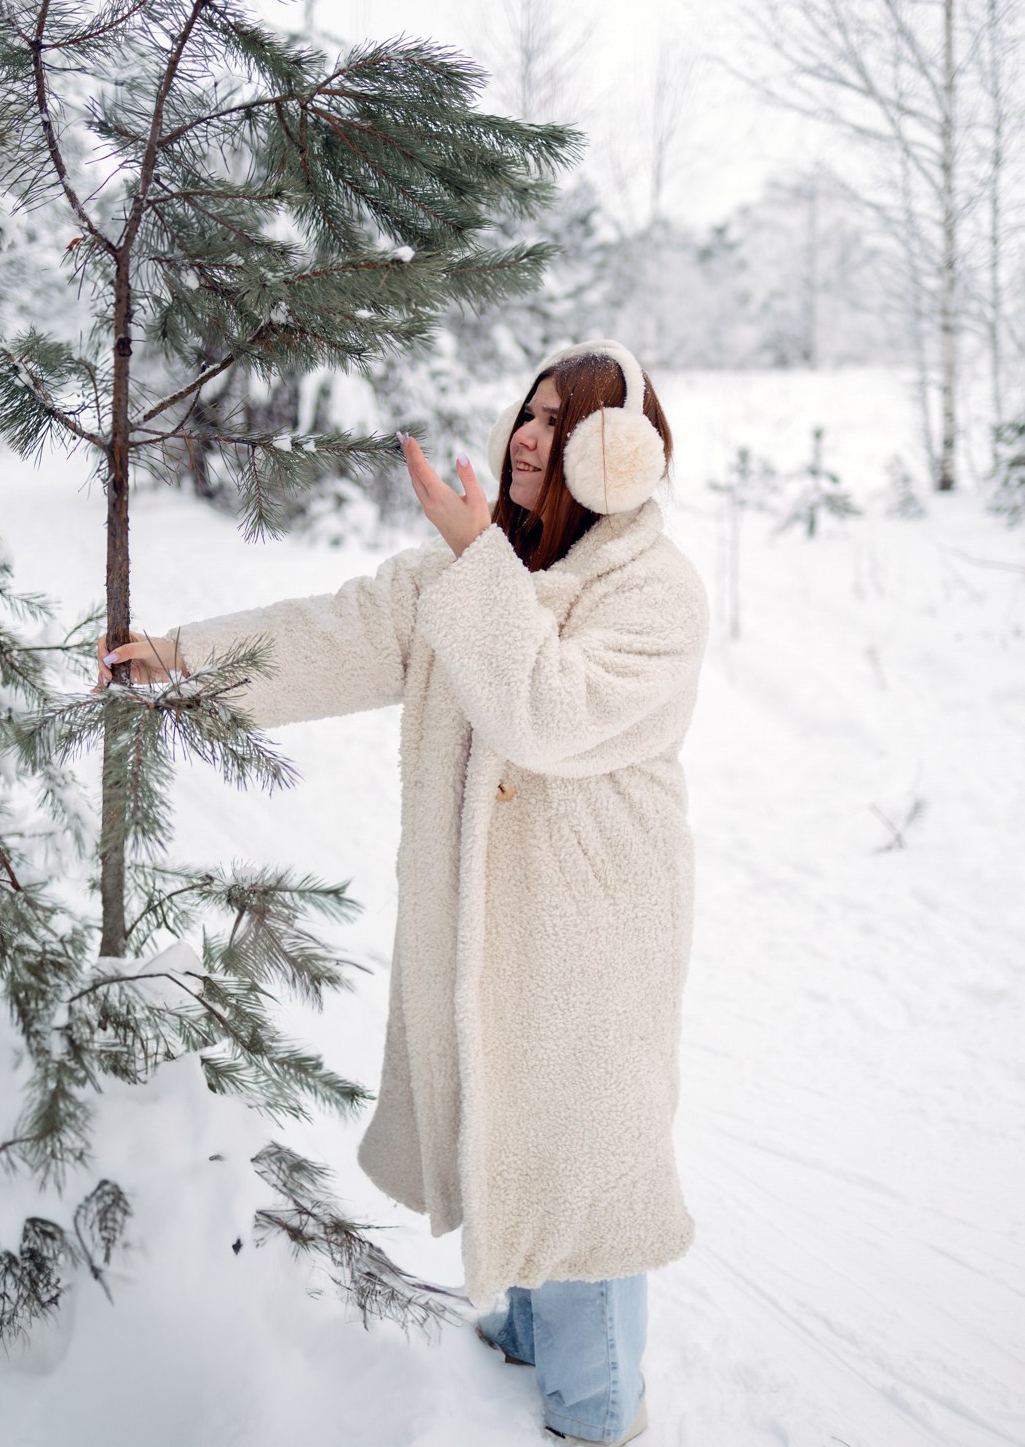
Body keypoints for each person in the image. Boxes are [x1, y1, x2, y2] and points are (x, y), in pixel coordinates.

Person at [97, 339, 709, 1447]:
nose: (530, 433)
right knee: (505, 1110)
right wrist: (185, 656)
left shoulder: (652, 589)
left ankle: (597, 1408)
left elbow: (548, 712)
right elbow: (331, 635)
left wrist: (478, 556)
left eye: (564, 421)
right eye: (526, 409)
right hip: (485, 919)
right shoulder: (466, 568)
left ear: (616, 454)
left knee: (585, 1156)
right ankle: (520, 1337)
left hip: (596, 924)